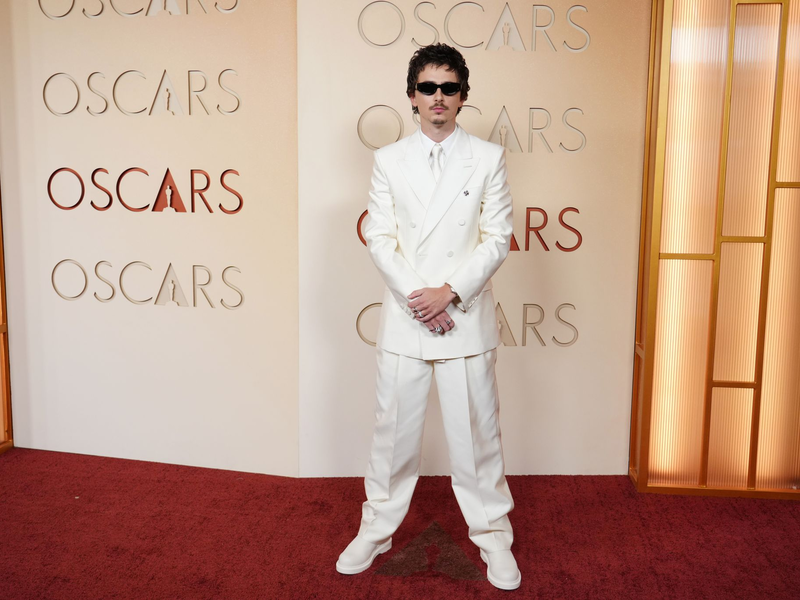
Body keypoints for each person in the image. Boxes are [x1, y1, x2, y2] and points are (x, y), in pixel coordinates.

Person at [336, 43, 520, 591]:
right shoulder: (389, 160)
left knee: (477, 440)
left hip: (462, 318)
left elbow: (497, 238)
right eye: (427, 88)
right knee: (392, 438)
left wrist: (451, 293)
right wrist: (422, 298)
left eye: (449, 87)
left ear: (464, 95)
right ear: (412, 96)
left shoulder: (487, 157)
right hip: (408, 317)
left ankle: (493, 539)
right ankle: (375, 531)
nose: (438, 98)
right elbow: (380, 237)